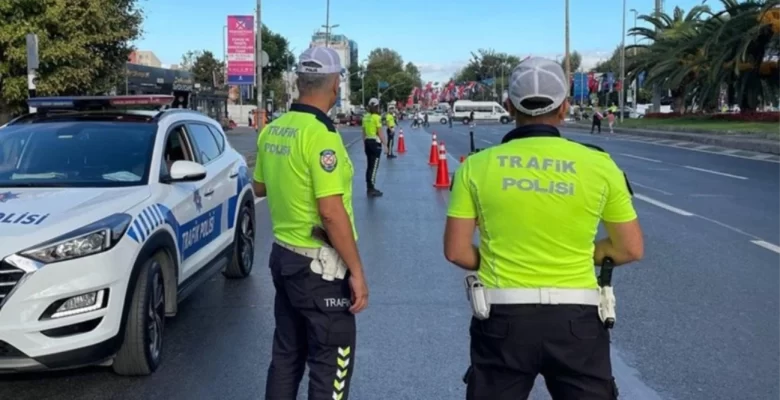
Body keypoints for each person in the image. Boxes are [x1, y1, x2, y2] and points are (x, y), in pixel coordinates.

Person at [443, 57, 644, 399]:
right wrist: (576, 251)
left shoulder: (474, 168)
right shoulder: (600, 165)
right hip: (577, 321)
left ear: (509, 106)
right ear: (565, 108)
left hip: (502, 319)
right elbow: (629, 248)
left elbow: (457, 251)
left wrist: (503, 253)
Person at [254, 46, 369, 400]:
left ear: (299, 83)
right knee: (331, 361)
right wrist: (357, 272)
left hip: (284, 257)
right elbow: (331, 212)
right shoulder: (321, 136)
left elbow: (259, 185)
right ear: (334, 84)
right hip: (320, 269)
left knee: (287, 355)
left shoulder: (273, 130)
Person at [362, 97, 385, 197]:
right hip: (375, 143)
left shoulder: (365, 117)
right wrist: (386, 145)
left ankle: (369, 187)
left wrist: (365, 144)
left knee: (369, 166)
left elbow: (363, 133)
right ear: (376, 106)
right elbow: (380, 132)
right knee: (374, 166)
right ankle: (371, 188)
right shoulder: (377, 117)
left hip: (367, 142)